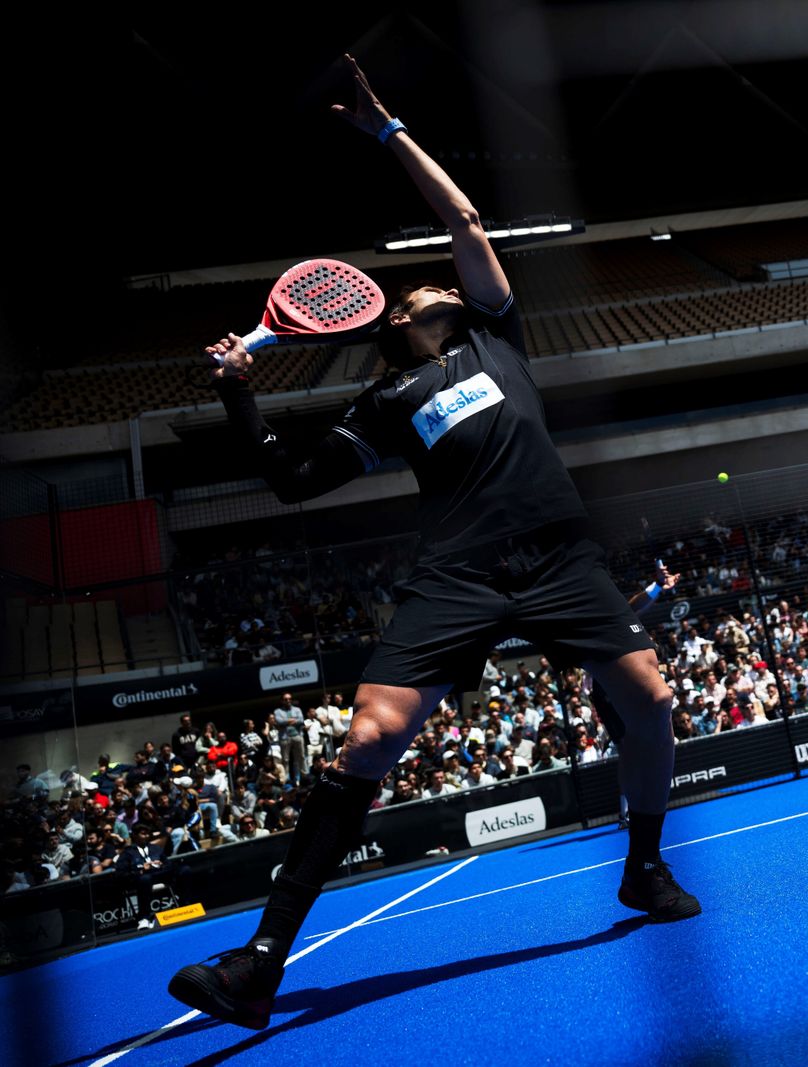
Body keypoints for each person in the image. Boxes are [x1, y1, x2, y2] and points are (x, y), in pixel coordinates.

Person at [168, 55, 696, 1032]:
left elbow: (464, 223)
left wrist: (386, 131)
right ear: (399, 324)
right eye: (417, 297)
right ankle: (258, 962)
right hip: (455, 572)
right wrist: (240, 387)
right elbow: (291, 479)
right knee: (367, 739)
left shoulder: (495, 335)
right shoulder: (386, 399)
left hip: (558, 554)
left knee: (651, 699)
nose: (433, 291)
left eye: (436, 288)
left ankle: (644, 863)